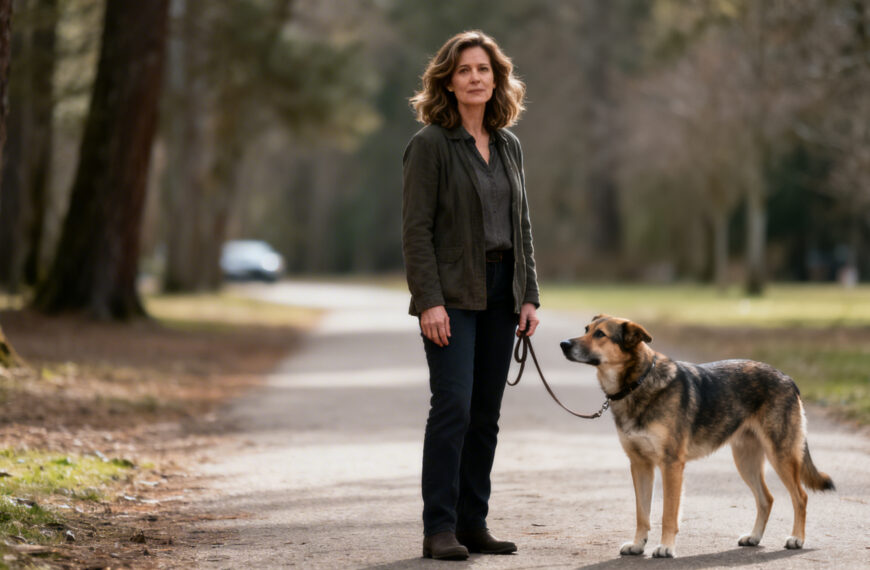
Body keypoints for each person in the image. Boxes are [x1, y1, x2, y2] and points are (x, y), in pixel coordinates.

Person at [402, 30, 540, 561]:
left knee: (486, 412)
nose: (475, 78)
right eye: (465, 70)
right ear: (448, 80)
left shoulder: (509, 145)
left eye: (484, 69)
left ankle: (472, 523)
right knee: (453, 406)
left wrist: (529, 295)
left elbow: (522, 224)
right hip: (452, 294)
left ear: (497, 78)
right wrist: (429, 301)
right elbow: (416, 232)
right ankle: (439, 527)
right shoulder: (430, 145)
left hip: (504, 293)